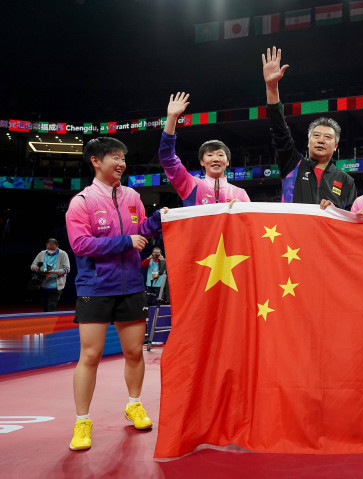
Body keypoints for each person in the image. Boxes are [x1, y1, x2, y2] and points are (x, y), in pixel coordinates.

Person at [65, 137, 163, 451]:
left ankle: (134, 404)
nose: (121, 163)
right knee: (90, 356)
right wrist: (125, 242)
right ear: (96, 161)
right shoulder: (82, 201)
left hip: (131, 286)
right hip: (95, 288)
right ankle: (82, 421)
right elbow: (81, 244)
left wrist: (157, 220)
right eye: (114, 157)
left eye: (123, 158)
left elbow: (142, 230)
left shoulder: (133, 196)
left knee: (134, 353)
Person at [262, 46, 357, 210]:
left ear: (335, 146)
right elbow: (279, 130)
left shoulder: (346, 181)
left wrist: (335, 210)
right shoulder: (292, 164)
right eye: (316, 135)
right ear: (308, 141)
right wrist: (271, 87)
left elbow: (350, 218)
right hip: (292, 227)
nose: (321, 140)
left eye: (327, 137)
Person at [159, 92, 251, 206]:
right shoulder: (190, 185)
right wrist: (171, 118)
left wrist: (242, 209)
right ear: (202, 161)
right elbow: (167, 159)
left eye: (220, 155)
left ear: (227, 162)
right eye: (210, 155)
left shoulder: (240, 194)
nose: (215, 159)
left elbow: (250, 217)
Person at [30, 238, 71, 312]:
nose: (50, 250)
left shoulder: (63, 254)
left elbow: (67, 269)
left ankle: (51, 319)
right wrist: (35, 267)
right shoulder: (42, 253)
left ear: (57, 246)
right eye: (49, 248)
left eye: (52, 249)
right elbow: (33, 265)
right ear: (46, 246)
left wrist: (55, 272)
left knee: (51, 307)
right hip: (43, 285)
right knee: (45, 308)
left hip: (55, 286)